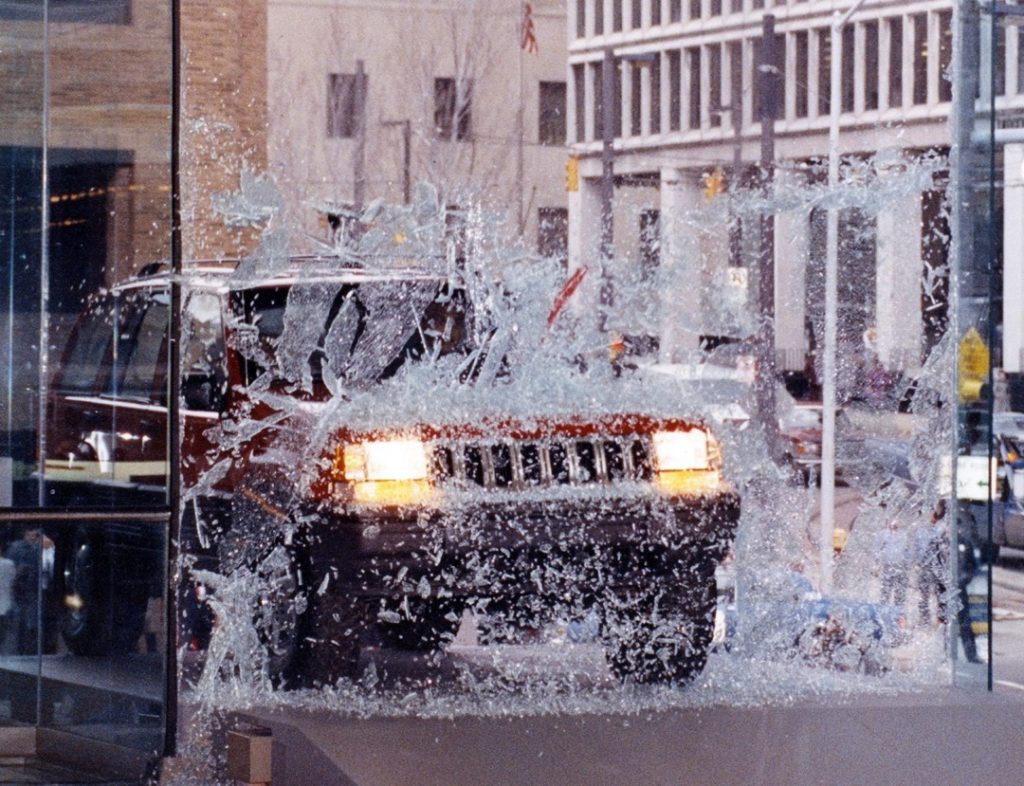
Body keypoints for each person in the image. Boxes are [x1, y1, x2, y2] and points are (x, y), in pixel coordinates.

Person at [914, 502, 949, 627]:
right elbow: (917, 549)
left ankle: (942, 619)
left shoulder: (940, 530)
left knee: (941, 594)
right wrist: (917, 564)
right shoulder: (920, 532)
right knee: (924, 595)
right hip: (924, 567)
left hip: (937, 567)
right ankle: (924, 619)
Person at [955, 504, 981, 664]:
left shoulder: (965, 543)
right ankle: (945, 655)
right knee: (945, 624)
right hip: (945, 590)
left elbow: (971, 566)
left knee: (965, 623)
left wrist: (964, 580)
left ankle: (971, 654)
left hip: (960, 588)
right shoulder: (940, 544)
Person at [876, 517, 910, 610]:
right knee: (885, 592)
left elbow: (908, 551)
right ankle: (884, 612)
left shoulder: (904, 535)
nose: (895, 523)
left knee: (899, 594)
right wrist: (877, 565)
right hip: (887, 567)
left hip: (901, 568)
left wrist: (908, 565)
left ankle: (898, 614)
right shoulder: (883, 535)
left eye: (897, 521)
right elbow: (878, 550)